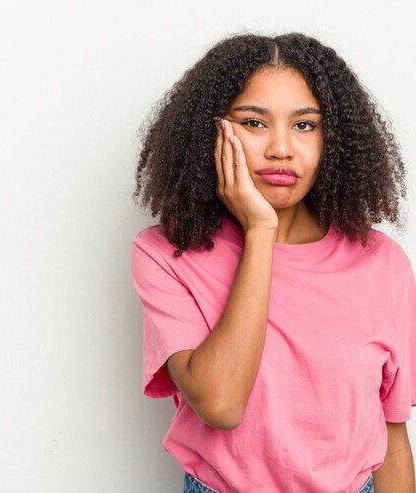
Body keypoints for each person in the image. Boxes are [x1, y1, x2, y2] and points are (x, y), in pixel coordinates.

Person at [129, 32, 415, 493]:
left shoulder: (382, 264)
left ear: (332, 138)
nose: (281, 148)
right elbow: (220, 406)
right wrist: (260, 232)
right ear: (212, 131)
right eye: (255, 123)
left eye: (304, 125)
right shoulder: (167, 255)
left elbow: (392, 432)